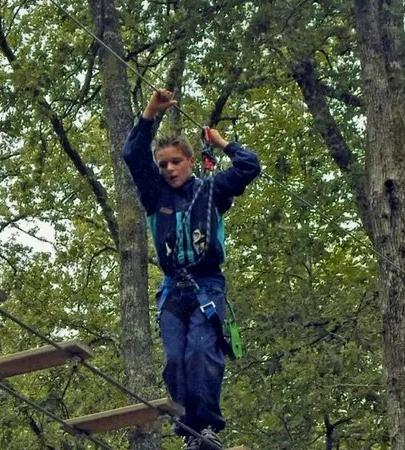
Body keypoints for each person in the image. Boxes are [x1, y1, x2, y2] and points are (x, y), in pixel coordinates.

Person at [123, 89, 260, 450]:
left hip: (206, 286)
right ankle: (189, 431)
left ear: (189, 161)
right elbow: (132, 155)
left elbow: (249, 167)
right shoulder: (155, 196)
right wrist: (150, 112)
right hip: (172, 289)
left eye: (175, 162)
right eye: (163, 164)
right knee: (174, 359)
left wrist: (222, 142)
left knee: (202, 352)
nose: (169, 169)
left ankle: (208, 427)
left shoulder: (211, 189)